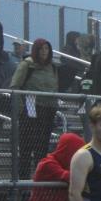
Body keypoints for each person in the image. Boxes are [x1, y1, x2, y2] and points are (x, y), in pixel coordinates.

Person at [11, 38, 59, 179]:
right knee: (26, 146)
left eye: (46, 49)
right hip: (30, 109)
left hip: (48, 110)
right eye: (41, 49)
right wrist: (21, 109)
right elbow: (15, 86)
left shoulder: (53, 67)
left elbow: (55, 86)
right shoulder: (27, 65)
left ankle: (40, 177)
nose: (44, 52)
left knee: (42, 147)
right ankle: (23, 178)